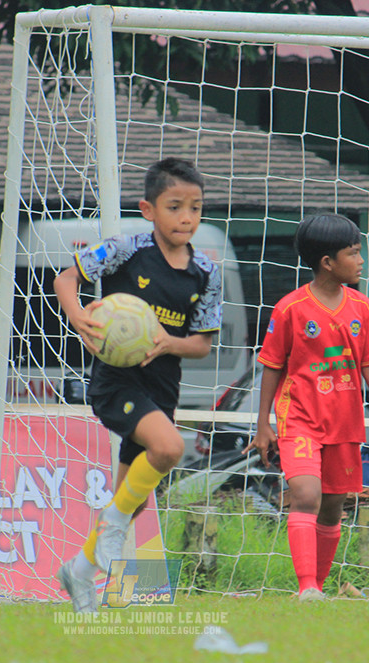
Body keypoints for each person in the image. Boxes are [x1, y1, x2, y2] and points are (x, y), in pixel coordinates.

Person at [52, 158, 222, 612]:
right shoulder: (125, 248)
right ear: (149, 209)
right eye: (174, 206)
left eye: (195, 207)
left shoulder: (206, 271)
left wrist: (169, 342)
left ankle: (80, 573)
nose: (186, 217)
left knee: (135, 504)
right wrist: (78, 316)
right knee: (168, 448)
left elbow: (202, 345)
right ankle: (108, 530)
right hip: (117, 383)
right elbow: (66, 278)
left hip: (161, 389)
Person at [245, 213, 369, 601]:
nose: (361, 260)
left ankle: (317, 585)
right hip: (299, 418)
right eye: (353, 253)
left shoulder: (361, 307)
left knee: (333, 508)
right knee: (305, 496)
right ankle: (307, 588)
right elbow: (271, 365)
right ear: (328, 263)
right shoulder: (290, 309)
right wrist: (264, 423)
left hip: (345, 422)